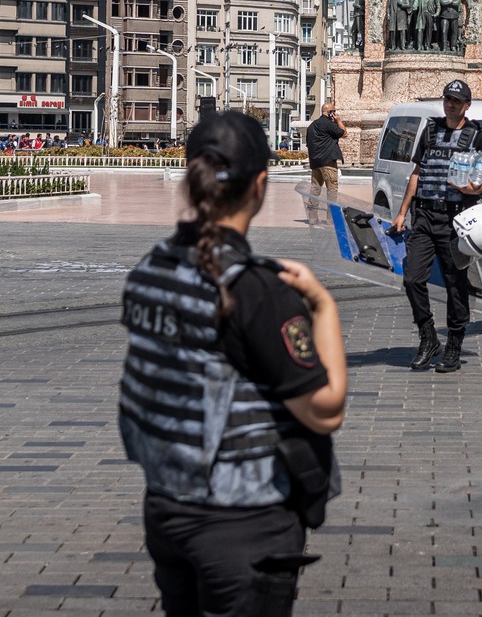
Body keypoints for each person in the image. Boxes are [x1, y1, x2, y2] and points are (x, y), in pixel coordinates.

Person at [119, 111, 346, 615]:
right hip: (242, 520)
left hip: (166, 505)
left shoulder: (152, 267)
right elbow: (324, 410)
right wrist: (323, 307)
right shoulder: (254, 289)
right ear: (260, 184)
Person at [390, 80, 482, 372]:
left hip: (457, 220)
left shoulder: (477, 135)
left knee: (456, 285)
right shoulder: (429, 131)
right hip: (426, 217)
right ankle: (428, 337)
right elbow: (417, 173)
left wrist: (475, 190)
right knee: (413, 278)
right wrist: (402, 213)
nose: (450, 104)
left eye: (456, 100)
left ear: (467, 105)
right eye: (447, 99)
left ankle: (454, 345)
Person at [304, 101, 346, 226]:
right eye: (334, 112)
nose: (335, 114)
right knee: (332, 191)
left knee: (315, 191)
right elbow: (344, 133)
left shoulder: (312, 126)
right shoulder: (329, 124)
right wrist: (338, 121)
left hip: (316, 163)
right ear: (330, 113)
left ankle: (312, 218)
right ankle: (331, 220)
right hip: (328, 162)